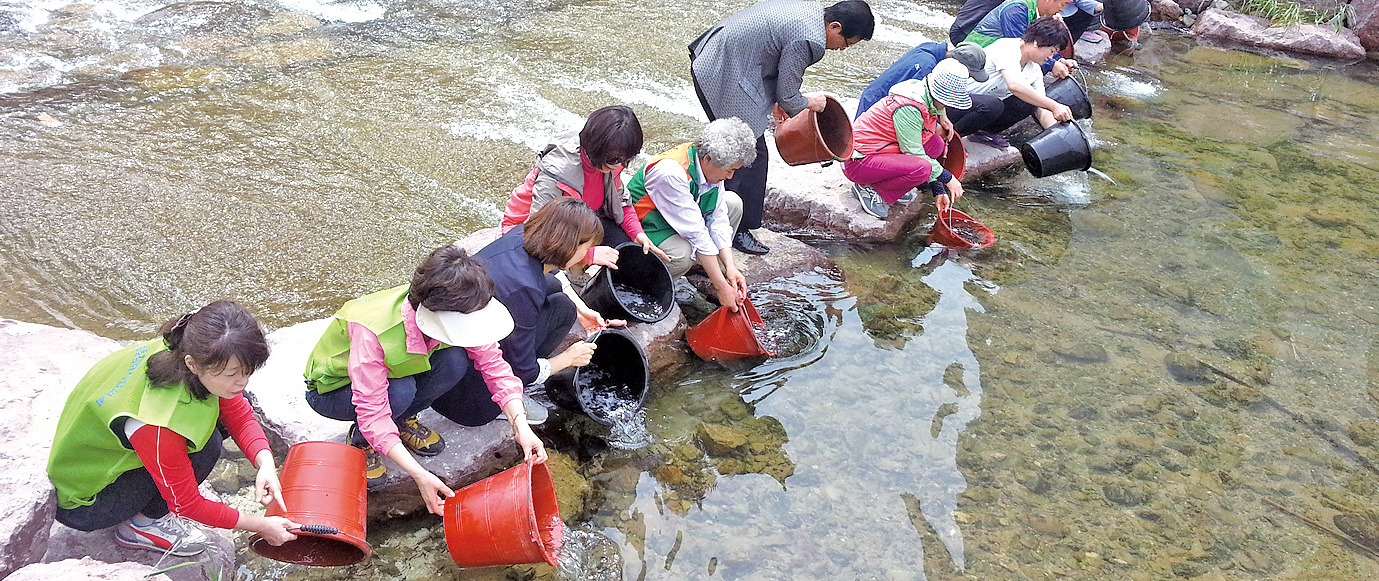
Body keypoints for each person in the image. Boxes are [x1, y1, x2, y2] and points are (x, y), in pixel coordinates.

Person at [304, 245, 545, 515]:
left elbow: (495, 367)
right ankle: (362, 442)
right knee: (400, 392)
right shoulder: (373, 330)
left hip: (397, 376)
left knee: (454, 361)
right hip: (332, 390)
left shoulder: (458, 309)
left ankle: (403, 419)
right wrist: (420, 475)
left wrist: (521, 426)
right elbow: (372, 411)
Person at [48, 301, 299, 556]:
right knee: (208, 446)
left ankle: (150, 502)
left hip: (102, 455)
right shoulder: (158, 422)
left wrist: (265, 463)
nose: (241, 381)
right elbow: (187, 504)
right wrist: (262, 525)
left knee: (217, 420)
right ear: (193, 364)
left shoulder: (182, 346)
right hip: (88, 502)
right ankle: (144, 525)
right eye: (231, 374)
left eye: (247, 372)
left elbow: (239, 413)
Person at [689, 0, 874, 256]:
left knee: (734, 149)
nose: (841, 50)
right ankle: (737, 230)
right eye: (846, 43)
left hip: (719, 53)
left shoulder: (810, 11)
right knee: (749, 155)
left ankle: (708, 213)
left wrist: (779, 101)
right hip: (724, 69)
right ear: (834, 26)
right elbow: (789, 97)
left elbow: (778, 60)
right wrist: (812, 103)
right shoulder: (811, 41)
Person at [454, 197, 619, 420]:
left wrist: (581, 308)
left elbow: (550, 271)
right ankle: (510, 400)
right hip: (469, 397)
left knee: (565, 305)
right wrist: (569, 358)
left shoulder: (523, 234)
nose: (587, 255)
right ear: (571, 246)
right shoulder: (524, 289)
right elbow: (525, 370)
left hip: (462, 337)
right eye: (587, 248)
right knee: (556, 309)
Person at [500, 105, 669, 268]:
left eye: (627, 159)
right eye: (615, 160)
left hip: (579, 224)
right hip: (531, 232)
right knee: (551, 281)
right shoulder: (557, 173)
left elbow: (622, 202)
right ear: (596, 150)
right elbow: (539, 237)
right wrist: (588, 255)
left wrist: (638, 234)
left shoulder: (610, 163)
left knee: (627, 253)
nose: (621, 165)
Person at [627, 118, 753, 312]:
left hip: (680, 218)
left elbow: (718, 219)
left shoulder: (710, 165)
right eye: (729, 171)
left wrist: (730, 267)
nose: (730, 177)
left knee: (733, 203)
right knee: (682, 255)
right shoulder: (671, 173)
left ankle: (707, 266)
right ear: (709, 158)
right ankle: (650, 285)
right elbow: (698, 234)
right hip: (647, 225)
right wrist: (722, 288)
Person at [846, 59, 973, 220]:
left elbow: (922, 147)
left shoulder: (923, 92)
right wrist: (948, 178)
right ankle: (871, 191)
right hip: (859, 161)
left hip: (881, 152)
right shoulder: (909, 107)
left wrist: (938, 189)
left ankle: (890, 189)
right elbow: (914, 153)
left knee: (935, 144)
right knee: (922, 167)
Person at [946, 17, 1075, 149]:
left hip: (978, 106)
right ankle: (950, 137)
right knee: (994, 105)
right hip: (953, 101)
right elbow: (1014, 85)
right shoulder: (1007, 47)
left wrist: (1058, 135)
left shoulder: (1034, 69)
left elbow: (1041, 108)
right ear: (1037, 43)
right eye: (1052, 51)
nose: (1051, 57)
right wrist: (1054, 106)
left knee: (1031, 102)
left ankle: (982, 133)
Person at [856, 42, 989, 120]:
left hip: (872, 94)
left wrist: (943, 117)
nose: (968, 78)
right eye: (969, 74)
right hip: (874, 107)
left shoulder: (931, 48)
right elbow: (912, 106)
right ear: (957, 64)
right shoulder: (927, 67)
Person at [953, 0, 1079, 81]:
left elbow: (1040, 42)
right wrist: (1052, 65)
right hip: (974, 57)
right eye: (1063, 4)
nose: (1062, 9)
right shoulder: (1017, 9)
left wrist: (1059, 59)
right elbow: (1024, 48)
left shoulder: (1032, 9)